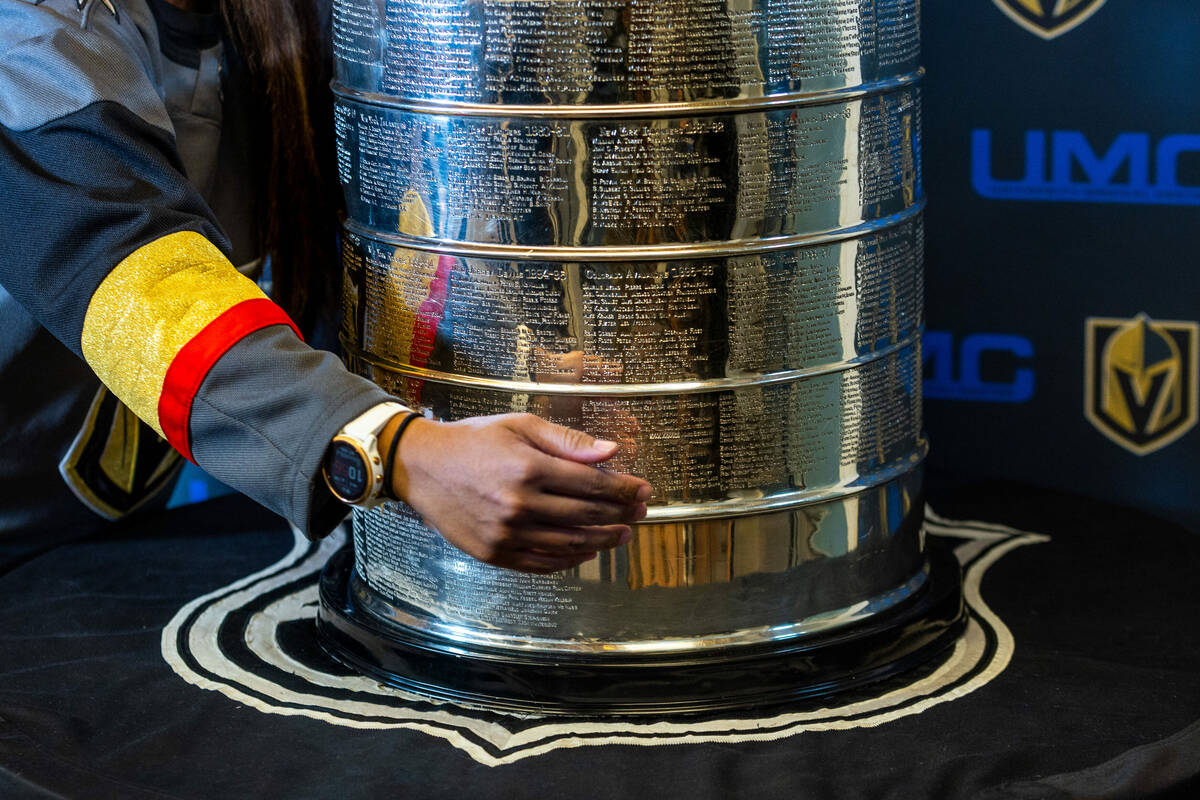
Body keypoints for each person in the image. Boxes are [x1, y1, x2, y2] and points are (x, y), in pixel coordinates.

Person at [0, 0, 650, 573]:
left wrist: (502, 373)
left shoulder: (278, 23)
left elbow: (369, 249)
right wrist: (394, 452)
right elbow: (136, 281)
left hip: (104, 546)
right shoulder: (29, 33)